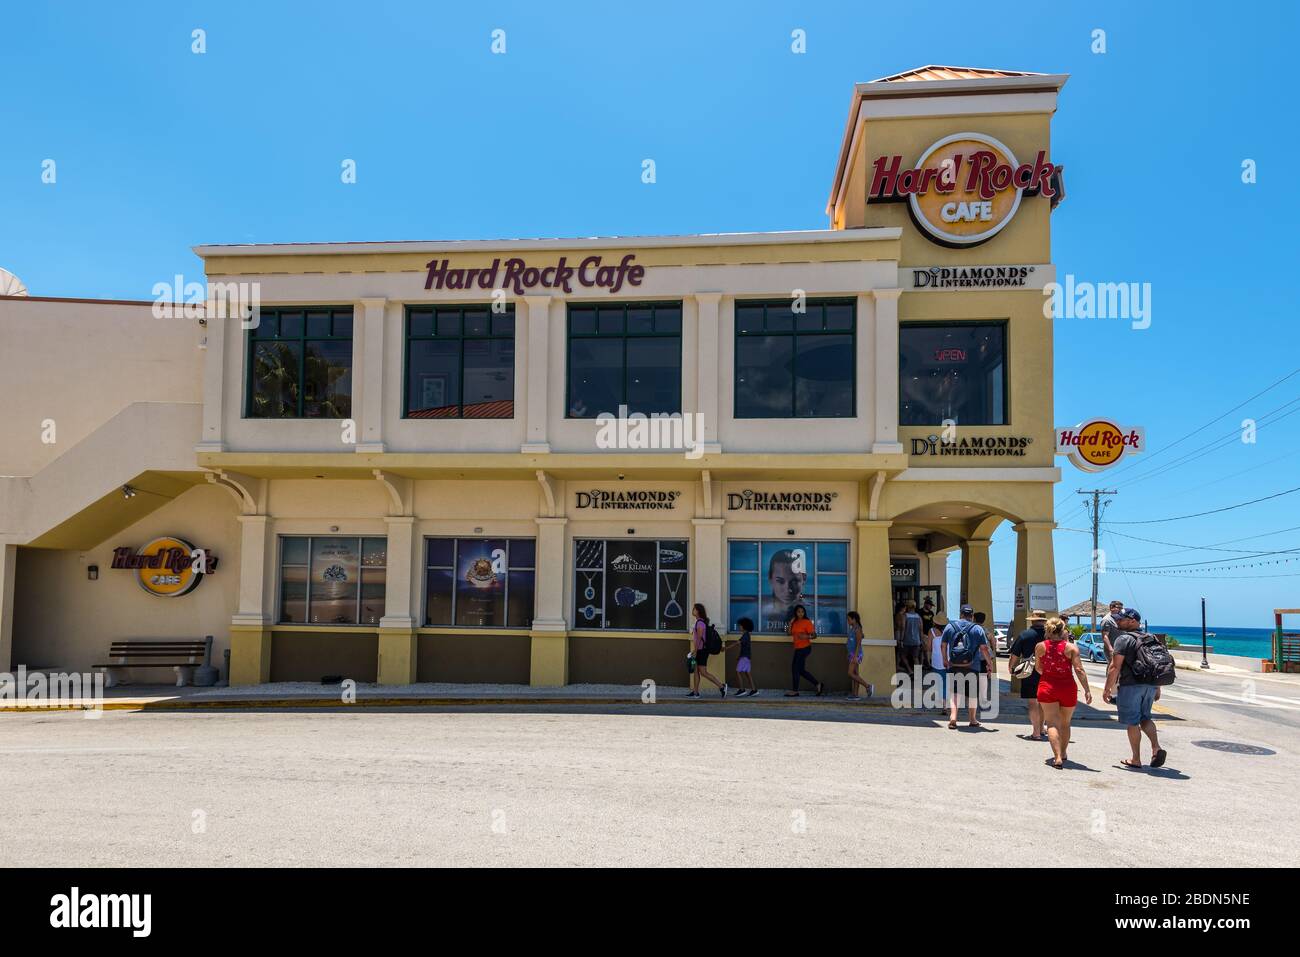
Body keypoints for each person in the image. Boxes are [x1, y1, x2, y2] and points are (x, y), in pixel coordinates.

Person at [1103, 607, 1168, 769]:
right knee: (1145, 718)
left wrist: (1107, 688)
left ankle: (1136, 759)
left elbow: (1114, 667)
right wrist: (1157, 687)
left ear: (1132, 621)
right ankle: (1156, 747)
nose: (1118, 621)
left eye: (1121, 619)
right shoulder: (1151, 637)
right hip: (1150, 685)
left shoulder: (1123, 639)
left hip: (1131, 685)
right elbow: (1157, 662)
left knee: (1132, 722)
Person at [1034, 616, 1092, 768]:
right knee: (1065, 723)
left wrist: (1049, 673)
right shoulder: (1071, 648)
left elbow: (1038, 668)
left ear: (1047, 630)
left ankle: (1057, 756)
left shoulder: (1040, 646)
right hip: (1067, 687)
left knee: (1052, 723)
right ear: (1063, 630)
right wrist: (1087, 690)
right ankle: (1064, 752)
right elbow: (1079, 669)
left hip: (1047, 687)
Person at [941, 604, 994, 728]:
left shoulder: (950, 626)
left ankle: (953, 717)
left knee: (955, 692)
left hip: (954, 664)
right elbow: (984, 648)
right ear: (972, 616)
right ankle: (972, 719)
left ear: (961, 614)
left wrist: (945, 659)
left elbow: (943, 645)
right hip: (972, 666)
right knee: (972, 694)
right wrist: (989, 663)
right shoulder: (977, 629)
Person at [1009, 609, 1048, 740]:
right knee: (1043, 702)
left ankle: (1036, 732)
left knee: (1032, 702)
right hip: (1047, 671)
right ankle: (1042, 728)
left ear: (1032, 621)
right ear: (1044, 621)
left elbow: (1015, 654)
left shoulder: (1025, 635)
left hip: (1029, 671)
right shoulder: (1050, 636)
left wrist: (1011, 667)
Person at [687, 603, 727, 698]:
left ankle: (722, 686)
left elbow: (700, 638)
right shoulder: (699, 622)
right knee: (696, 671)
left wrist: (695, 651)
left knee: (703, 672)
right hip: (700, 650)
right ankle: (695, 692)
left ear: (698, 611)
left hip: (702, 651)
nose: (693, 610)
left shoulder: (700, 623)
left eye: (694, 609)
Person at [784, 604, 824, 697]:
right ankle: (818, 684)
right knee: (800, 670)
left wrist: (806, 636)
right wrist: (790, 623)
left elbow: (814, 635)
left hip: (805, 648)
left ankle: (795, 691)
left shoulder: (807, 622)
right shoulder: (795, 622)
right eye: (798, 612)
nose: (800, 613)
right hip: (798, 648)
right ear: (796, 613)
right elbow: (789, 633)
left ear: (804, 612)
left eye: (802, 612)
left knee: (795, 669)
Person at [725, 616, 758, 697]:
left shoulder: (745, 635)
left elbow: (737, 643)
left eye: (740, 625)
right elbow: (744, 647)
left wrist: (726, 648)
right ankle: (754, 690)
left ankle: (742, 689)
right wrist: (739, 656)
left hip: (745, 657)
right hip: (746, 657)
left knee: (738, 672)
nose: (739, 627)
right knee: (747, 673)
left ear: (744, 626)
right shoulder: (746, 635)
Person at [844, 611, 874, 699]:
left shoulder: (857, 629)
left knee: (850, 673)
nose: (848, 621)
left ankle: (867, 686)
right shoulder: (853, 628)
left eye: (849, 619)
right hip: (852, 654)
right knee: (855, 674)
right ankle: (855, 694)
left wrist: (855, 656)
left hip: (855, 654)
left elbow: (858, 643)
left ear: (854, 619)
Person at [923, 613, 948, 711]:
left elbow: (928, 648)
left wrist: (927, 659)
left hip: (937, 661)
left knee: (939, 683)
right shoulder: (948, 631)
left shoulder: (932, 631)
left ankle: (943, 705)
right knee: (947, 683)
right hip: (948, 660)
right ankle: (946, 704)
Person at [900, 600, 924, 673]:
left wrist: (901, 639)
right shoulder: (918, 617)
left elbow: (903, 628)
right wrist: (921, 640)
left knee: (903, 656)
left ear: (907, 607)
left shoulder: (905, 616)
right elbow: (921, 630)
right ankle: (918, 674)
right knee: (915, 657)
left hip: (907, 640)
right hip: (916, 640)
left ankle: (910, 670)